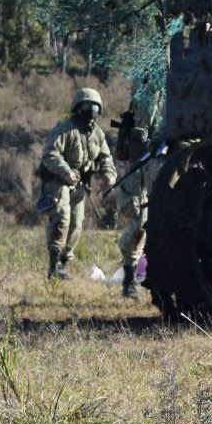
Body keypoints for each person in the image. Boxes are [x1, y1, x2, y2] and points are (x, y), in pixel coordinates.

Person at [36, 88, 117, 280]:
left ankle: (63, 262)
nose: (92, 110)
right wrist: (66, 171)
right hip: (58, 181)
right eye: (88, 106)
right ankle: (53, 265)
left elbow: (105, 157)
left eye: (95, 107)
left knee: (76, 223)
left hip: (79, 184)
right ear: (78, 108)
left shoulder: (97, 133)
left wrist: (109, 175)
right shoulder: (64, 129)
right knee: (62, 218)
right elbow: (50, 154)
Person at [110, 90, 166, 300]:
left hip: (161, 160)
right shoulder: (147, 88)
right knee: (140, 222)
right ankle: (129, 279)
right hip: (142, 163)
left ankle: (155, 275)